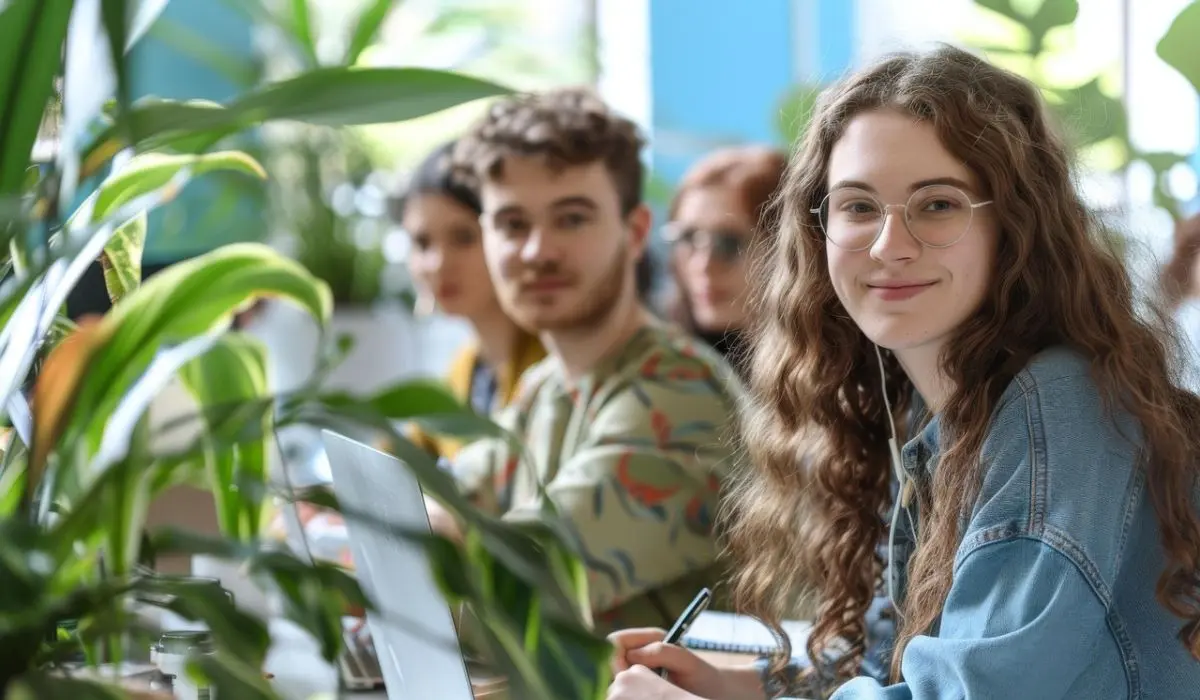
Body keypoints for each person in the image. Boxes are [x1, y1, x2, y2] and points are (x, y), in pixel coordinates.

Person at [607, 44, 1200, 700]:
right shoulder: (930, 411)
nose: (890, 246)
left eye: (936, 205)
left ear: (1014, 226)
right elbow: (898, 667)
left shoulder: (1054, 405)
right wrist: (739, 685)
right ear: (819, 227)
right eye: (859, 207)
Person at [423, 87, 745, 634]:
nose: (537, 251)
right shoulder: (546, 387)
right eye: (512, 224)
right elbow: (438, 499)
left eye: (571, 219)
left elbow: (508, 596)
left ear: (636, 231)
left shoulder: (678, 396)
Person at [392, 141, 546, 460]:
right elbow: (397, 461)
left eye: (463, 238)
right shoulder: (464, 369)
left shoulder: (553, 362)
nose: (437, 263)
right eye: (422, 243)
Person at [664, 146, 787, 375]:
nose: (702, 265)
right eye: (687, 238)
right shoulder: (672, 364)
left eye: (728, 243)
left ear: (786, 246)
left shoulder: (839, 380)